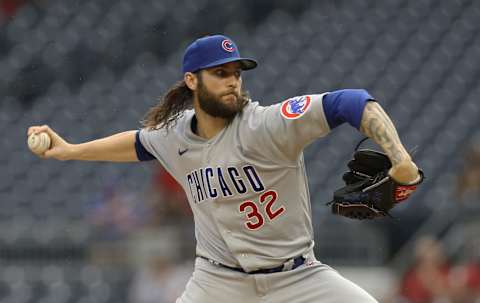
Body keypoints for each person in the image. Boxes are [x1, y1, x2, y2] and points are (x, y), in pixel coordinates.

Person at [28, 34, 421, 303]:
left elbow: (350, 103)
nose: (233, 82)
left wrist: (400, 157)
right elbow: (137, 143)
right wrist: (70, 150)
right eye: (220, 73)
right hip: (218, 282)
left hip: (297, 278)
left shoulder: (267, 124)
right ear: (191, 81)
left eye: (236, 73)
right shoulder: (175, 134)